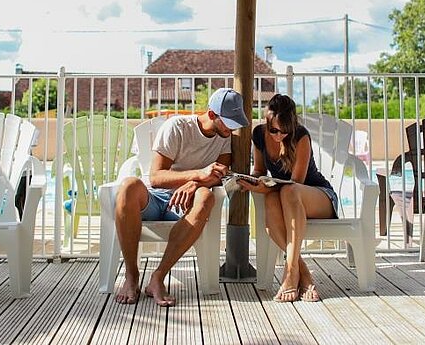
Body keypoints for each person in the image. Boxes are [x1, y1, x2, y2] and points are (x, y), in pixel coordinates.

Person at [113, 87, 249, 307]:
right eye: (228, 123)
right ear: (212, 114)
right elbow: (156, 177)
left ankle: (158, 277)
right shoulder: (177, 127)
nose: (232, 128)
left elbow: (218, 177)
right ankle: (131, 275)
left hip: (186, 203)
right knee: (128, 186)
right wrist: (197, 174)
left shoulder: (224, 136)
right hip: (155, 198)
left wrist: (195, 183)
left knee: (206, 197)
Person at [238, 94, 338, 303]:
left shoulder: (301, 136)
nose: (278, 135)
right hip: (285, 195)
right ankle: (304, 273)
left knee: (288, 191)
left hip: (318, 195)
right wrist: (253, 181)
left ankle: (290, 274)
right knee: (271, 199)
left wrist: (267, 187)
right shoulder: (259, 135)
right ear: (267, 122)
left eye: (283, 131)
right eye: (273, 130)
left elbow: (296, 183)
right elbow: (259, 169)